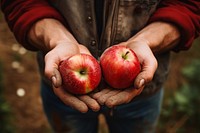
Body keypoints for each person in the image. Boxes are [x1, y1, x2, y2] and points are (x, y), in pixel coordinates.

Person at [1, 0, 200, 132]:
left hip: (142, 92)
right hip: (63, 85)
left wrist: (148, 40)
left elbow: (189, 5)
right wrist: (56, 39)